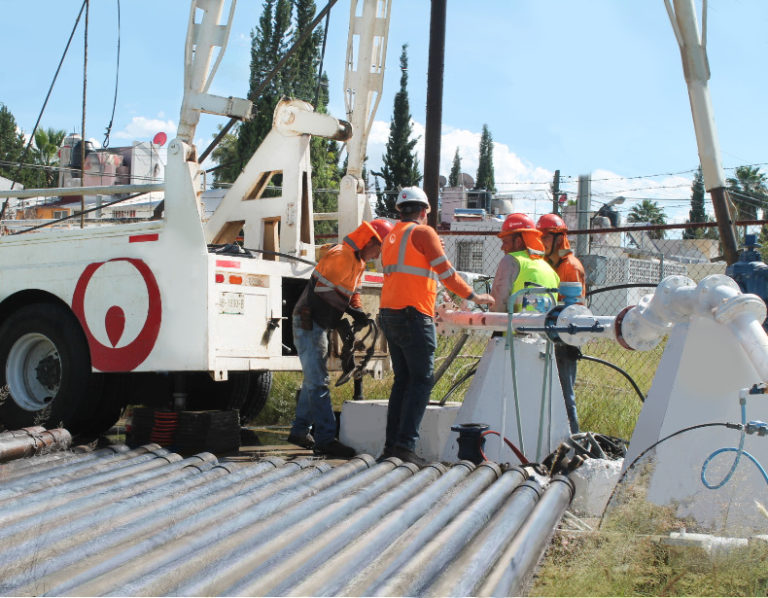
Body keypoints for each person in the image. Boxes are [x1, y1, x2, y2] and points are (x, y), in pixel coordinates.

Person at [379, 187, 495, 466]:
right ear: (425, 211)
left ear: (400, 210)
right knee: (421, 381)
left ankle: (391, 448)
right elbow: (448, 274)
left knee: (404, 381)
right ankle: (405, 447)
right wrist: (475, 296)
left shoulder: (391, 237)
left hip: (390, 313)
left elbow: (415, 274)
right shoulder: (423, 233)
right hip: (412, 314)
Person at [287, 218, 394, 458]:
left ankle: (299, 430)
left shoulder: (359, 262)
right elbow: (323, 293)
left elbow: (352, 291)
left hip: (318, 323)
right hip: (308, 322)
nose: (379, 253)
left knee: (313, 380)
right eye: (379, 247)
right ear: (368, 241)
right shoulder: (341, 255)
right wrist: (350, 313)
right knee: (318, 382)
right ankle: (325, 439)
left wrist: (358, 311)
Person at [537, 213, 586, 434]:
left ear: (559, 238)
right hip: (548, 334)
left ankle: (574, 443)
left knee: (566, 396)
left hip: (565, 338)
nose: (541, 241)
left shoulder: (570, 267)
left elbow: (573, 309)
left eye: (545, 237)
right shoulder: (546, 264)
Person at [490, 213, 560, 314]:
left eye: (505, 242)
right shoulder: (549, 269)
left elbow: (497, 307)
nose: (502, 247)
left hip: (513, 329)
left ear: (518, 242)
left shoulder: (511, 261)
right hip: (544, 329)